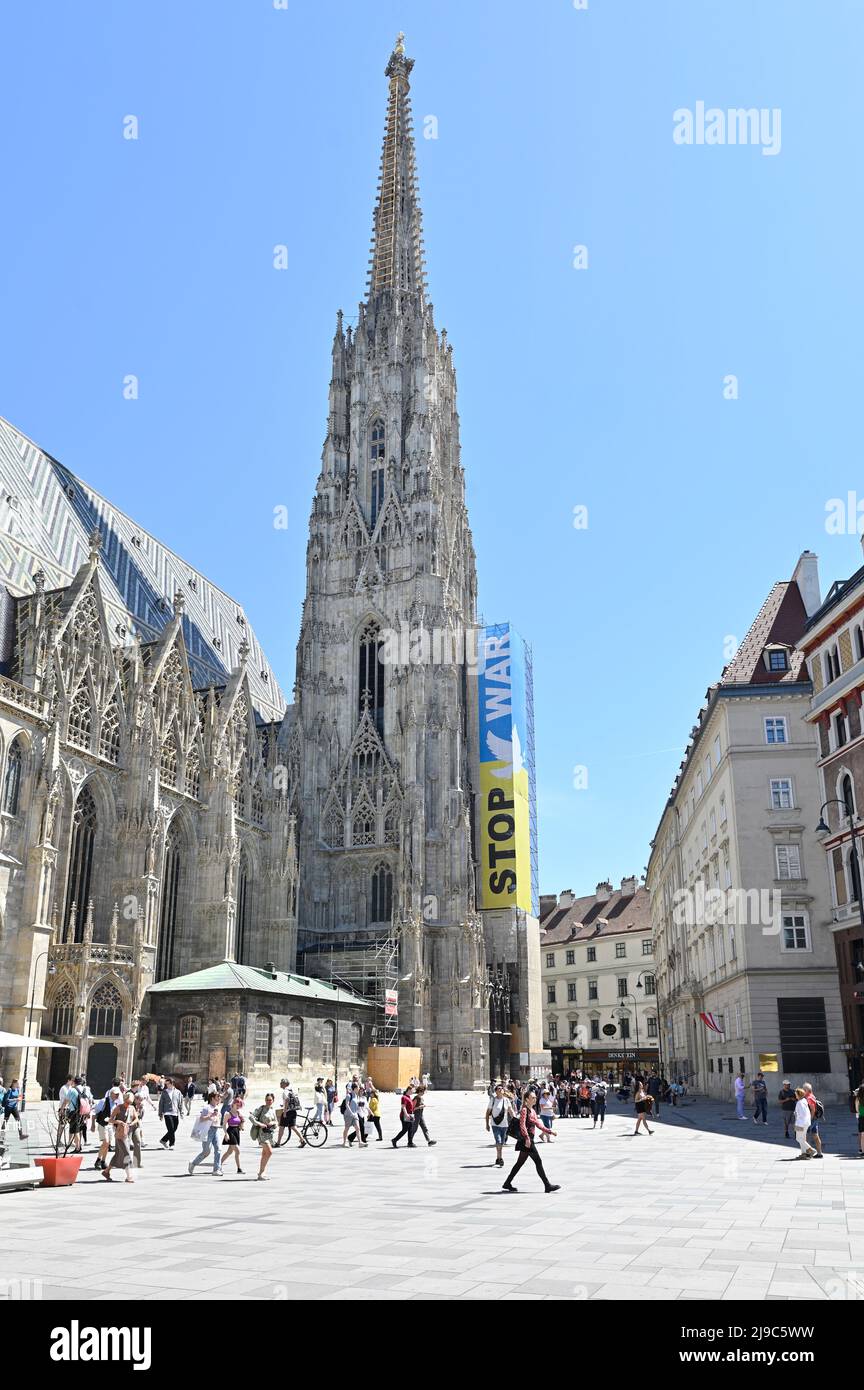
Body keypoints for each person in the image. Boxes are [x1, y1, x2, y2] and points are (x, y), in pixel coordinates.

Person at [502, 1089, 560, 1193]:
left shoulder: (533, 1111)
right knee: (538, 1161)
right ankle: (547, 1185)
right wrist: (527, 1138)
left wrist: (549, 1131)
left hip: (529, 1139)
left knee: (519, 1163)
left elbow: (538, 1124)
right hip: (526, 1140)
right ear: (527, 1099)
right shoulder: (524, 1110)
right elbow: (522, 1125)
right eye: (532, 1097)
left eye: (535, 1097)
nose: (535, 1099)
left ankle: (507, 1183)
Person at [104, 1097, 136, 1183]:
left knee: (118, 1154)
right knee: (127, 1154)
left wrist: (132, 1123)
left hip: (128, 1134)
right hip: (120, 1135)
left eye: (130, 1103)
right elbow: (110, 1120)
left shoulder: (132, 1108)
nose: (128, 1104)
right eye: (127, 1102)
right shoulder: (118, 1107)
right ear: (124, 1100)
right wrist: (119, 1122)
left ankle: (106, 1171)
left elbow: (136, 1119)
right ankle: (129, 1176)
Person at [188, 1095, 223, 1176]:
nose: (219, 1099)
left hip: (216, 1129)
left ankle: (216, 1169)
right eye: (217, 1098)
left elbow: (218, 1118)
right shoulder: (207, 1107)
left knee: (218, 1149)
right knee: (206, 1152)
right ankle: (193, 1163)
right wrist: (210, 1116)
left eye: (219, 1098)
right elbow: (201, 1118)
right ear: (212, 1098)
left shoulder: (218, 1107)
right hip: (208, 1130)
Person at [485, 1083, 513, 1167]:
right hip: (495, 1124)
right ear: (496, 1091)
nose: (500, 1089)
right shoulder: (493, 1100)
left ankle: (497, 1157)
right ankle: (500, 1158)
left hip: (504, 1125)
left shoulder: (506, 1100)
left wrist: (515, 1120)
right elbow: (487, 1113)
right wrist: (487, 1124)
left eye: (501, 1088)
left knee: (502, 1142)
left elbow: (510, 1111)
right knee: (498, 1141)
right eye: (498, 1089)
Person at [253, 1094, 277, 1179]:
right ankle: (262, 1173)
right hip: (261, 1134)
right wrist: (260, 1124)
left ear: (273, 1100)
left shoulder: (272, 1110)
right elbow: (251, 1117)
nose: (268, 1101)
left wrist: (273, 1123)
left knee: (264, 1154)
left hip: (269, 1134)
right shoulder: (261, 1108)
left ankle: (261, 1173)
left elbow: (276, 1122)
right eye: (267, 1100)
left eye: (270, 1100)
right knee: (269, 1152)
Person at [276, 1078, 306, 1148]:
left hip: (288, 1112)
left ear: (285, 1084)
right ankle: (302, 1140)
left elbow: (287, 1100)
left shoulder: (285, 1091)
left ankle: (278, 1143)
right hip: (293, 1111)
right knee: (293, 1127)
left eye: (281, 1083)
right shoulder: (292, 1090)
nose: (280, 1084)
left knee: (281, 1127)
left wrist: (285, 1111)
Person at [222, 1097, 245, 1174]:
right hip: (230, 1132)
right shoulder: (228, 1114)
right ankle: (239, 1169)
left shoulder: (238, 1113)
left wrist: (242, 1123)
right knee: (237, 1151)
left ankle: (218, 1165)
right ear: (233, 1104)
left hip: (236, 1131)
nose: (238, 1106)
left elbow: (241, 1126)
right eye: (237, 1104)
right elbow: (224, 1125)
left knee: (229, 1152)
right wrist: (226, 1134)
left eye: (239, 1105)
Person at [802, 1083, 825, 1158]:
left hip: (812, 1119)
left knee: (805, 1136)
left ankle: (808, 1153)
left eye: (804, 1089)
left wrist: (809, 1119)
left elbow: (813, 1109)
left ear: (807, 1090)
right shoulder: (812, 1096)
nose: (802, 1091)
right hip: (815, 1119)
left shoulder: (809, 1098)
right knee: (815, 1135)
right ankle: (819, 1153)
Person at [158, 1077, 182, 1148]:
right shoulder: (164, 1092)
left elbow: (180, 1102)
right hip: (167, 1113)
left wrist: (181, 1112)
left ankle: (163, 1140)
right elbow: (161, 1103)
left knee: (174, 1128)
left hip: (175, 1112)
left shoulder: (178, 1092)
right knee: (171, 1129)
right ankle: (172, 1144)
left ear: (172, 1083)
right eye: (166, 1084)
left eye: (168, 1084)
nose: (167, 1085)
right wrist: (160, 1113)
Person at [793, 1088, 816, 1158]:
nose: (795, 1095)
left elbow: (802, 1114)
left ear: (799, 1094)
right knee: (802, 1139)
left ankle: (811, 1149)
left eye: (796, 1094)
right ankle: (804, 1154)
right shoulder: (804, 1101)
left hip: (800, 1123)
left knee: (798, 1139)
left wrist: (796, 1115)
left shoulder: (799, 1103)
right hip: (805, 1123)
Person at [854, 1083, 864, 1157]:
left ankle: (862, 1149)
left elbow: (857, 1109)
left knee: (862, 1134)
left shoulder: (858, 1098)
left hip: (861, 1117)